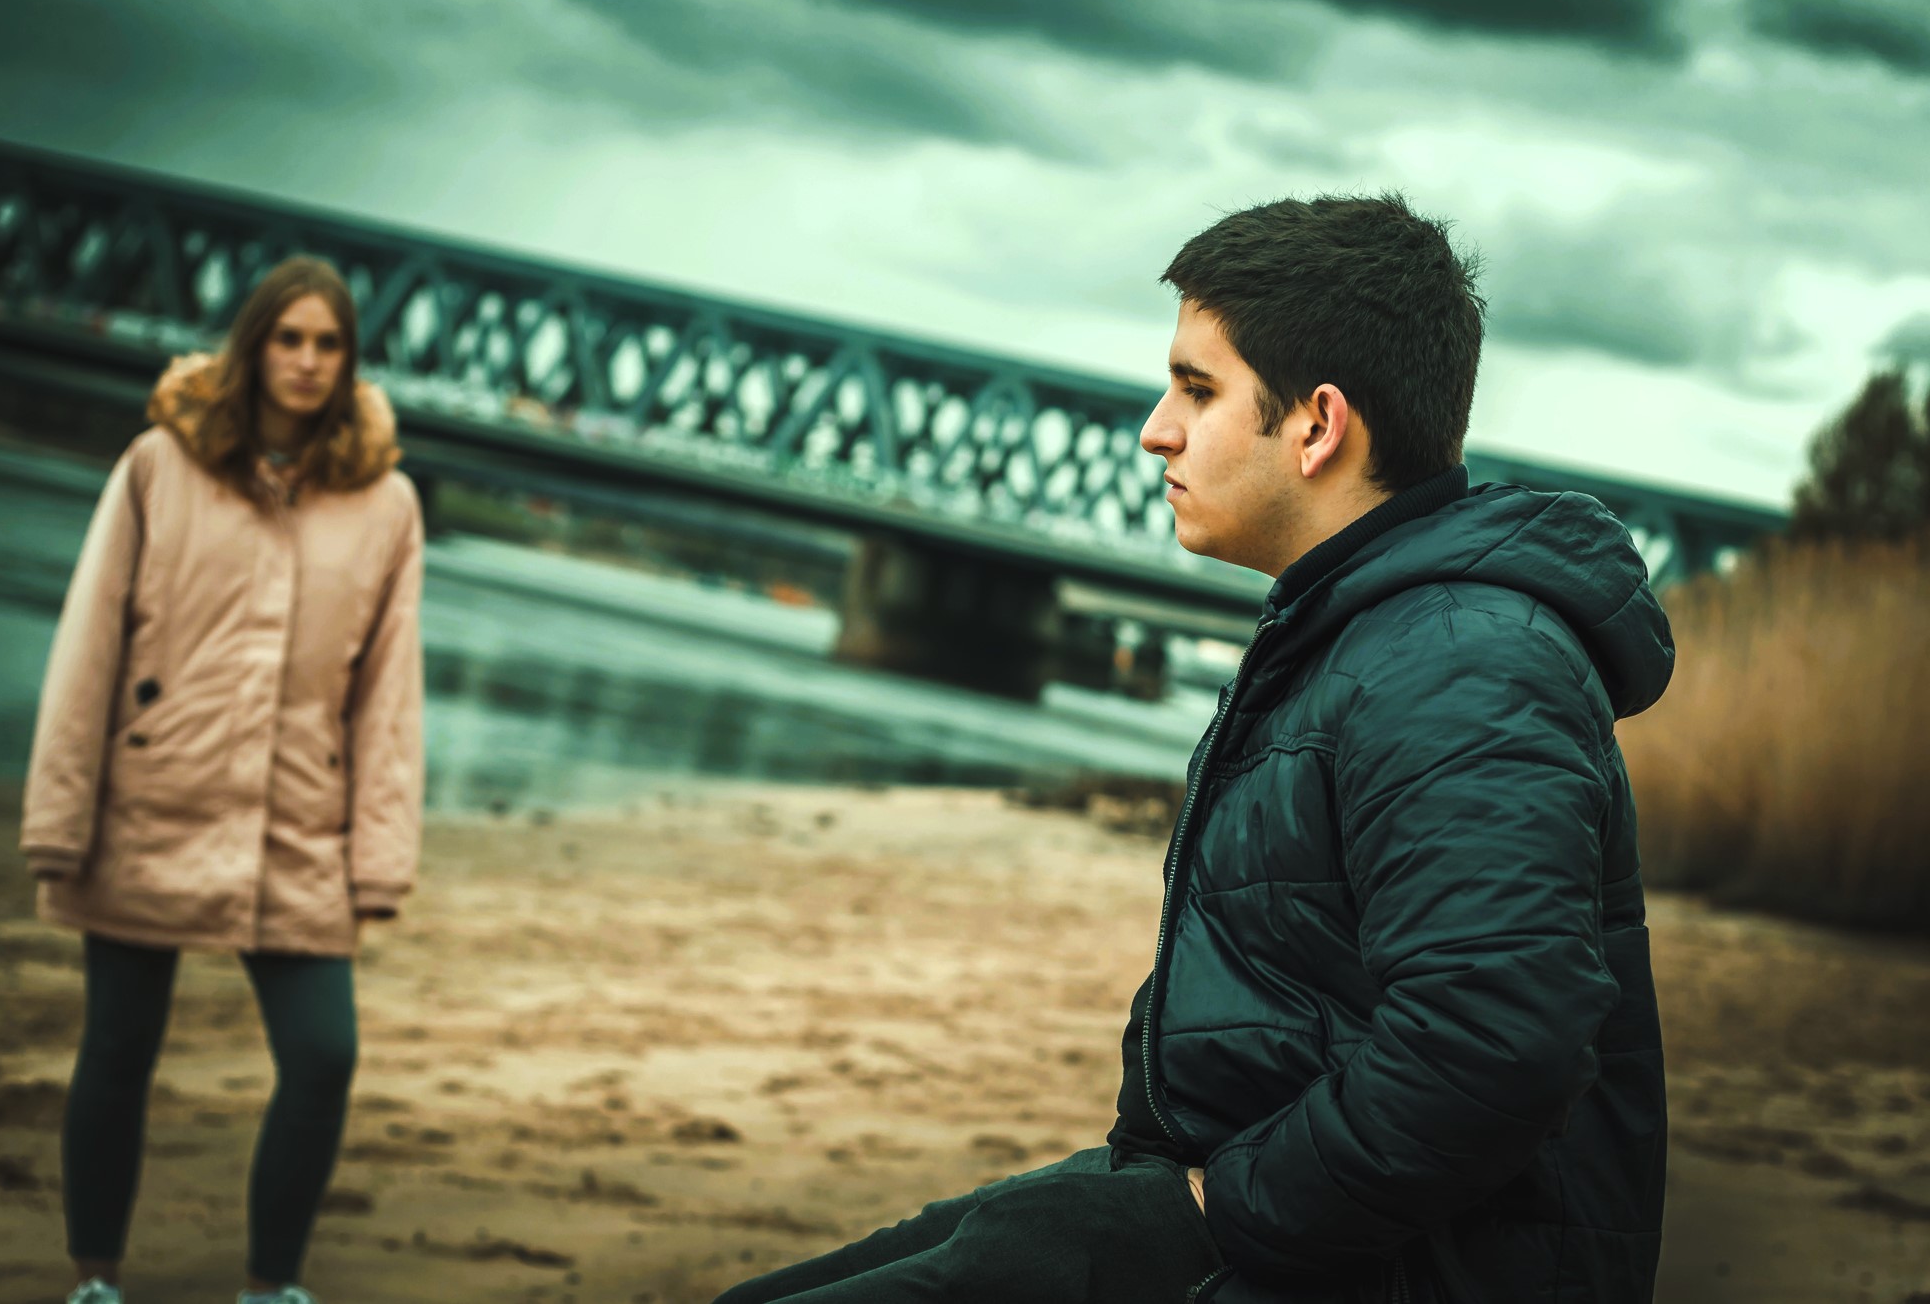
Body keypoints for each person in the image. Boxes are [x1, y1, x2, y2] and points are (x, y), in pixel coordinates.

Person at [715, 194, 1671, 1303]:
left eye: (1196, 387)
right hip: (1276, 1218)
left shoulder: (1461, 662)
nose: (1152, 429)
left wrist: (1209, 1208)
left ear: (1315, 426)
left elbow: (1493, 1041)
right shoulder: (1372, 635)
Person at [20, 256, 426, 1304]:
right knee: (118, 1043)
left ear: (349, 362)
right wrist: (57, 818)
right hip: (150, 796)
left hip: (298, 822)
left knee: (324, 1052)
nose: (306, 360)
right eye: (287, 338)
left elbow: (388, 696)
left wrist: (378, 859)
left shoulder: (385, 504)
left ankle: (270, 1288)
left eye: (327, 342)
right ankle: (95, 1280)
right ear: (251, 346)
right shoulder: (161, 463)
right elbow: (87, 643)